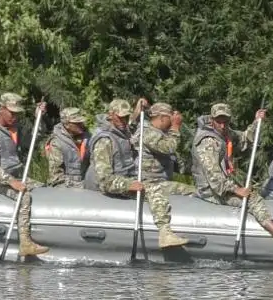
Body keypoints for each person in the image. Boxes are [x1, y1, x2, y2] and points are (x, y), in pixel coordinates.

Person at [190, 103, 273, 251]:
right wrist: (236, 189)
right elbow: (214, 178)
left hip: (223, 183)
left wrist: (257, 122)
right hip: (211, 190)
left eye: (226, 121)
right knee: (252, 198)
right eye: (219, 121)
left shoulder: (225, 133)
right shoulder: (207, 143)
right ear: (212, 120)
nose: (223, 125)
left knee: (252, 190)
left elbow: (243, 139)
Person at [84, 99, 190, 249]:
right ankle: (165, 233)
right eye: (120, 117)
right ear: (111, 115)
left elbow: (132, 124)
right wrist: (129, 185)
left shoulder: (122, 131)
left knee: (171, 188)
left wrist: (137, 110)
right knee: (153, 189)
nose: (124, 121)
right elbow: (104, 180)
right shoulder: (104, 141)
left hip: (127, 178)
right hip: (112, 186)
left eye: (126, 117)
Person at [0, 92, 49, 256]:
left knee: (43, 188)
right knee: (24, 196)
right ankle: (25, 243)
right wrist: (11, 182)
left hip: (13, 174)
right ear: (1, 109)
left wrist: (39, 118)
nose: (15, 117)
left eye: (17, 114)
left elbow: (33, 140)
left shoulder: (12, 130)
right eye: (11, 113)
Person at [130, 102, 198, 187]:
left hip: (159, 180)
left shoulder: (160, 132)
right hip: (149, 182)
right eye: (170, 118)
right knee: (192, 193)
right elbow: (168, 148)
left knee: (193, 192)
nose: (172, 121)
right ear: (162, 118)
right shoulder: (147, 132)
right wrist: (175, 127)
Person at [44, 107, 90, 188]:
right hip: (64, 188)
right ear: (67, 124)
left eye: (81, 122)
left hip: (86, 185)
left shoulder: (88, 138)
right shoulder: (56, 142)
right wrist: (78, 186)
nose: (81, 125)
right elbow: (56, 178)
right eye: (77, 123)